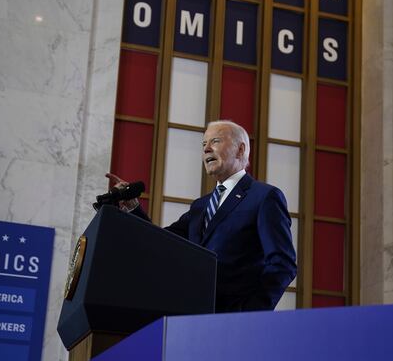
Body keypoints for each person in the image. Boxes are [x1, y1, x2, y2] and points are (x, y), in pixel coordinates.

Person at [107, 120, 297, 312]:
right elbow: (163, 241)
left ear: (240, 150)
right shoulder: (200, 206)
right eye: (203, 144)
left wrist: (251, 312)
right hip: (192, 315)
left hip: (236, 319)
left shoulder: (263, 197)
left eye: (215, 141)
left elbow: (283, 264)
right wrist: (133, 208)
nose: (206, 149)